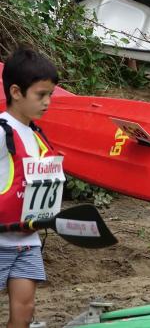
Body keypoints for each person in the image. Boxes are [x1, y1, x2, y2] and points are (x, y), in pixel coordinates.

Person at [0, 49, 60, 328]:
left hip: (27, 243)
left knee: (24, 312)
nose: (48, 102)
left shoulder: (37, 134)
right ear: (16, 91)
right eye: (41, 95)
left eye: (51, 95)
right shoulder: (2, 132)